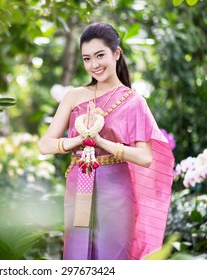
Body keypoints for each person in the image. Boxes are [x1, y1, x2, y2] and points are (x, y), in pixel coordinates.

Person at [39, 22, 174, 260]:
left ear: (116, 53)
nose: (94, 65)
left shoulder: (134, 101)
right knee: (77, 252)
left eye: (100, 55)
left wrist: (101, 141)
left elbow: (145, 157)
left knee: (112, 254)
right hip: (79, 180)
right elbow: (45, 145)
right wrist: (79, 140)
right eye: (87, 59)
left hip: (115, 187)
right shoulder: (74, 96)